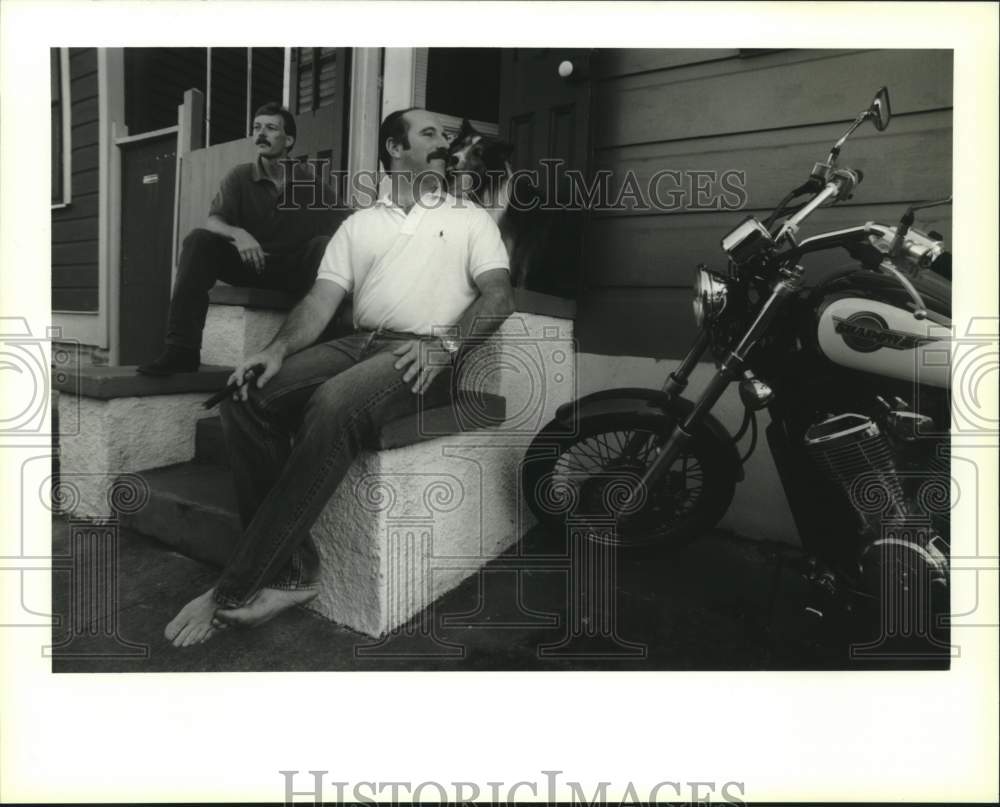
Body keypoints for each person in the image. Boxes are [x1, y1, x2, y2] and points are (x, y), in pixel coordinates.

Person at [164, 108, 516, 647]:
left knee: (331, 404)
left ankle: (233, 589)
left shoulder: (469, 218)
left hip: (425, 354)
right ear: (396, 149)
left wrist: (446, 346)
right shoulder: (360, 224)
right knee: (244, 395)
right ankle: (295, 571)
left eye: (449, 136)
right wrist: (276, 350)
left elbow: (499, 296)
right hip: (356, 342)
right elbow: (320, 301)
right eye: (430, 134)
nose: (445, 142)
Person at [138, 102, 344, 376]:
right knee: (199, 240)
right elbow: (214, 220)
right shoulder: (240, 176)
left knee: (322, 246)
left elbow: (347, 220)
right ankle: (181, 350)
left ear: (289, 140)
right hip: (251, 265)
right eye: (257, 128)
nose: (261, 134)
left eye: (271, 128)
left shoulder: (311, 182)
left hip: (293, 272)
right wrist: (239, 234)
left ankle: (321, 351)